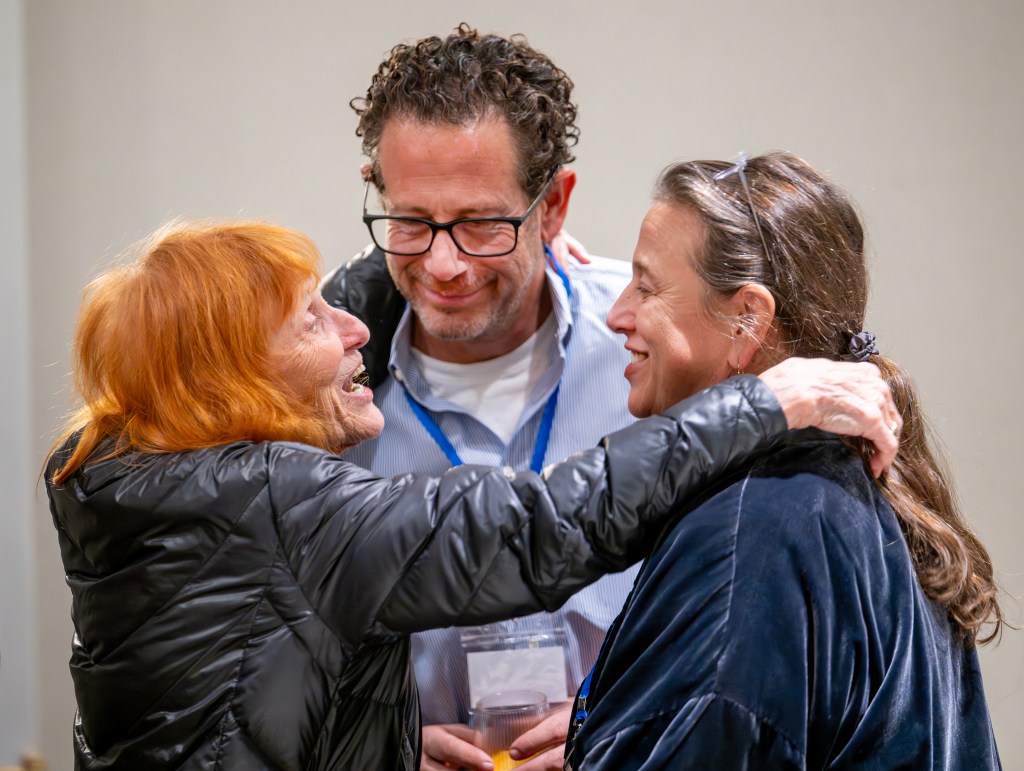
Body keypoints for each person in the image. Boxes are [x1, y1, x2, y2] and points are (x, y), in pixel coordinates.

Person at [45, 219, 898, 770]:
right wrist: (767, 401)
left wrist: (506, 245)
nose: (355, 329)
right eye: (310, 320)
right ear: (231, 379)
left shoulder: (135, 481)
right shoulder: (278, 501)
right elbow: (540, 526)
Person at [320, 26, 900, 770]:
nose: (444, 263)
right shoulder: (322, 396)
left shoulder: (659, 348)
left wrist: (617, 729)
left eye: (481, 225)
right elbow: (275, 652)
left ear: (554, 206)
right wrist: (380, 750)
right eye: (412, 222)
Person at [561, 152, 1004, 769]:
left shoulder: (750, 538)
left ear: (748, 318)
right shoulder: (842, 490)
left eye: (647, 284)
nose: (617, 314)